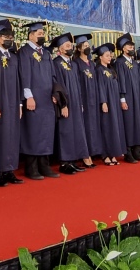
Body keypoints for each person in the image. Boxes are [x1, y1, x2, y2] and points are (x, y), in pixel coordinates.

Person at [18, 21, 60, 180]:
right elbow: (24, 75)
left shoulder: (46, 53)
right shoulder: (24, 52)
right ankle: (31, 168)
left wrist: (55, 93)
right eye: (39, 33)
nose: (42, 35)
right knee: (33, 132)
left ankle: (45, 165)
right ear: (31, 35)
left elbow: (53, 75)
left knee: (46, 132)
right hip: (34, 98)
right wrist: (28, 96)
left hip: (47, 99)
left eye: (43, 33)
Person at [0, 19, 24, 186]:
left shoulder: (14, 58)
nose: (9, 39)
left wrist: (20, 103)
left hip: (14, 102)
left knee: (12, 136)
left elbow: (20, 80)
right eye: (5, 36)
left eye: (11, 36)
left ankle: (9, 170)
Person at [50, 33, 91, 174]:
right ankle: (64, 162)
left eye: (71, 45)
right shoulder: (56, 63)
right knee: (65, 131)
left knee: (75, 131)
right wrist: (63, 105)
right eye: (67, 46)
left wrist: (79, 102)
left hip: (75, 102)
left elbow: (78, 85)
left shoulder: (72, 64)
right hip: (65, 103)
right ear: (60, 49)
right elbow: (57, 86)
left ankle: (72, 160)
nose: (70, 47)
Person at [113, 33, 140, 163]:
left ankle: (137, 151)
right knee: (129, 123)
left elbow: (139, 81)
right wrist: (122, 98)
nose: (132, 49)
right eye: (129, 46)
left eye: (133, 46)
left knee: (139, 122)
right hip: (127, 97)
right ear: (123, 48)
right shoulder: (119, 62)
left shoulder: (134, 63)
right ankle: (128, 153)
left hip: (138, 97)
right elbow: (120, 81)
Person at [94, 43, 126, 165]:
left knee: (115, 127)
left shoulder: (110, 70)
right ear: (100, 57)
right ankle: (105, 154)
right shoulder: (98, 70)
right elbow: (100, 87)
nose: (109, 57)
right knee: (106, 127)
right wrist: (103, 102)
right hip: (106, 102)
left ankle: (113, 153)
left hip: (114, 102)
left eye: (110, 55)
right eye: (107, 55)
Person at [73, 34, 101, 168]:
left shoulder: (92, 64)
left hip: (93, 99)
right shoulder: (76, 64)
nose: (87, 48)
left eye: (88, 46)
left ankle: (93, 151)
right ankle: (85, 154)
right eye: (85, 46)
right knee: (85, 126)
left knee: (93, 125)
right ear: (78, 48)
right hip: (83, 98)